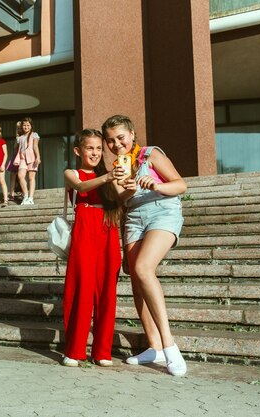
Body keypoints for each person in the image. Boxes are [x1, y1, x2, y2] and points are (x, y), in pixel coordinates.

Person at [103, 114, 188, 376]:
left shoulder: (151, 154)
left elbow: (181, 184)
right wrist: (127, 186)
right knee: (137, 282)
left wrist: (157, 184)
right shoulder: (118, 166)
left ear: (131, 134)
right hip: (134, 219)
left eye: (120, 138)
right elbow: (121, 197)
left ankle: (169, 345)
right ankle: (154, 347)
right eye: (110, 141)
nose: (116, 144)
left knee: (142, 268)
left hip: (162, 211)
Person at [62, 129, 123, 367]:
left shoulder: (110, 174)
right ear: (78, 151)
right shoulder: (72, 172)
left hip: (108, 229)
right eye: (90, 148)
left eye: (99, 148)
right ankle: (75, 350)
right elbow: (81, 187)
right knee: (81, 288)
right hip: (85, 228)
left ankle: (102, 351)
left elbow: (121, 197)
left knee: (107, 289)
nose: (96, 152)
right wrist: (109, 177)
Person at [14, 117, 40, 205]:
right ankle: (25, 196)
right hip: (22, 158)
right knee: (20, 176)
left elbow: (35, 146)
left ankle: (31, 198)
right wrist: (17, 135)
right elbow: (16, 148)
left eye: (28, 125)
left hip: (32, 157)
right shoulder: (20, 137)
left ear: (31, 126)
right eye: (24, 125)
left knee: (31, 178)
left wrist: (38, 157)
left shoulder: (34, 134)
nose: (26, 127)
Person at [6, 121, 23, 202]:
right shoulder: (18, 136)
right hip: (16, 156)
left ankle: (23, 192)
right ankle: (11, 193)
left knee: (22, 175)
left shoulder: (27, 136)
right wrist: (17, 139)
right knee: (12, 174)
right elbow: (15, 146)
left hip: (22, 157)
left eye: (20, 127)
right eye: (18, 128)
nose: (19, 129)